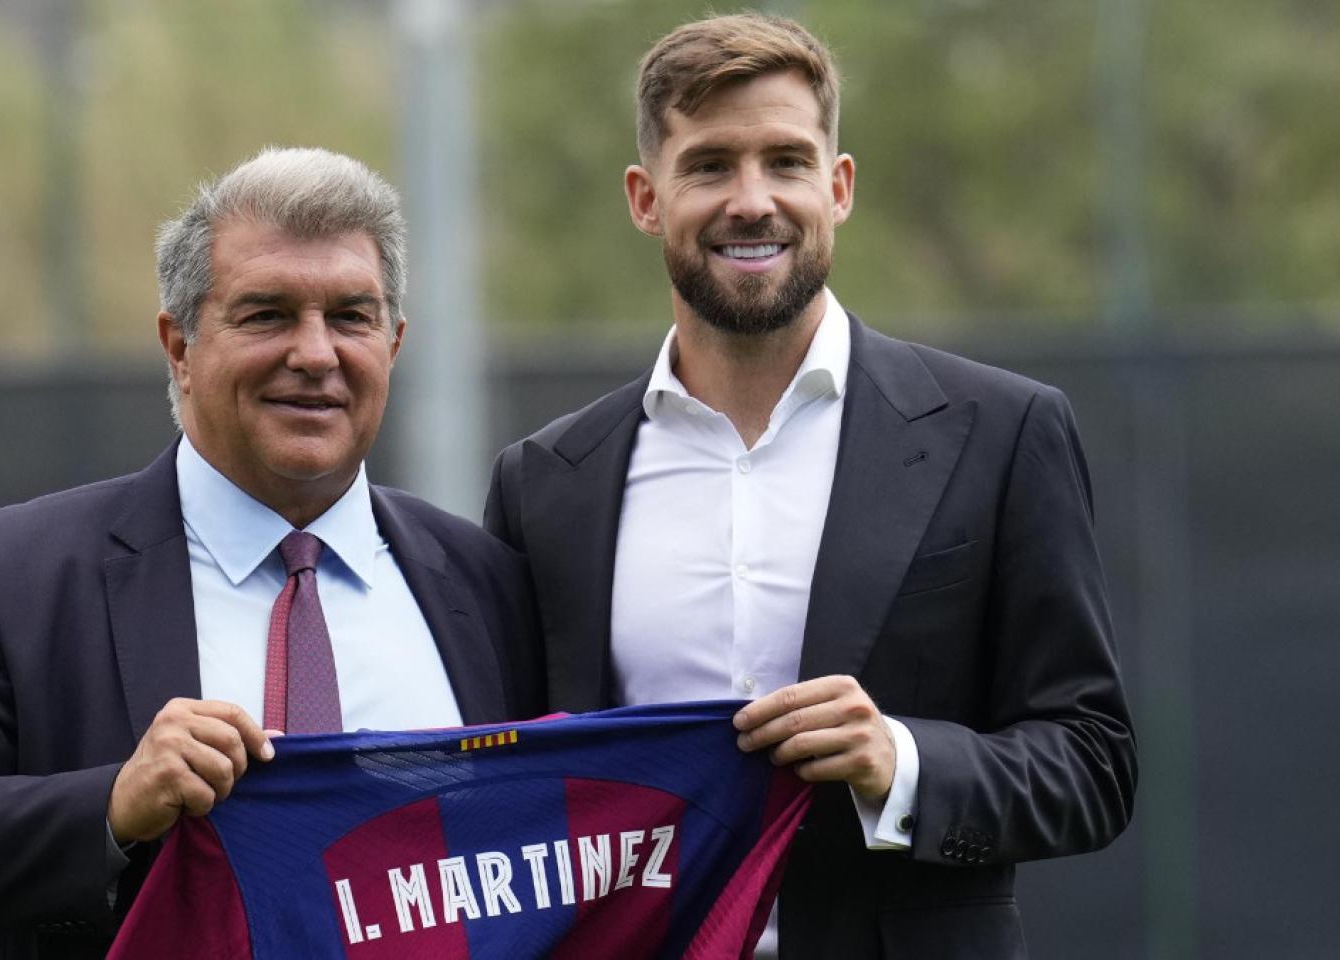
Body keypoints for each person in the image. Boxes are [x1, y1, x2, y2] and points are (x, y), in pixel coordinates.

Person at [484, 14, 1135, 959]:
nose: (752, 201)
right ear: (646, 199)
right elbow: (501, 792)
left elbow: (1093, 763)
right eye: (710, 166)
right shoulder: (546, 483)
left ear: (838, 187)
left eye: (786, 161)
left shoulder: (1001, 432)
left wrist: (900, 762)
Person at [0, 146, 542, 959]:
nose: (316, 354)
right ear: (178, 346)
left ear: (393, 343)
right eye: (267, 314)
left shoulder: (487, 583)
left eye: (351, 316)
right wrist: (114, 804)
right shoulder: (10, 579)